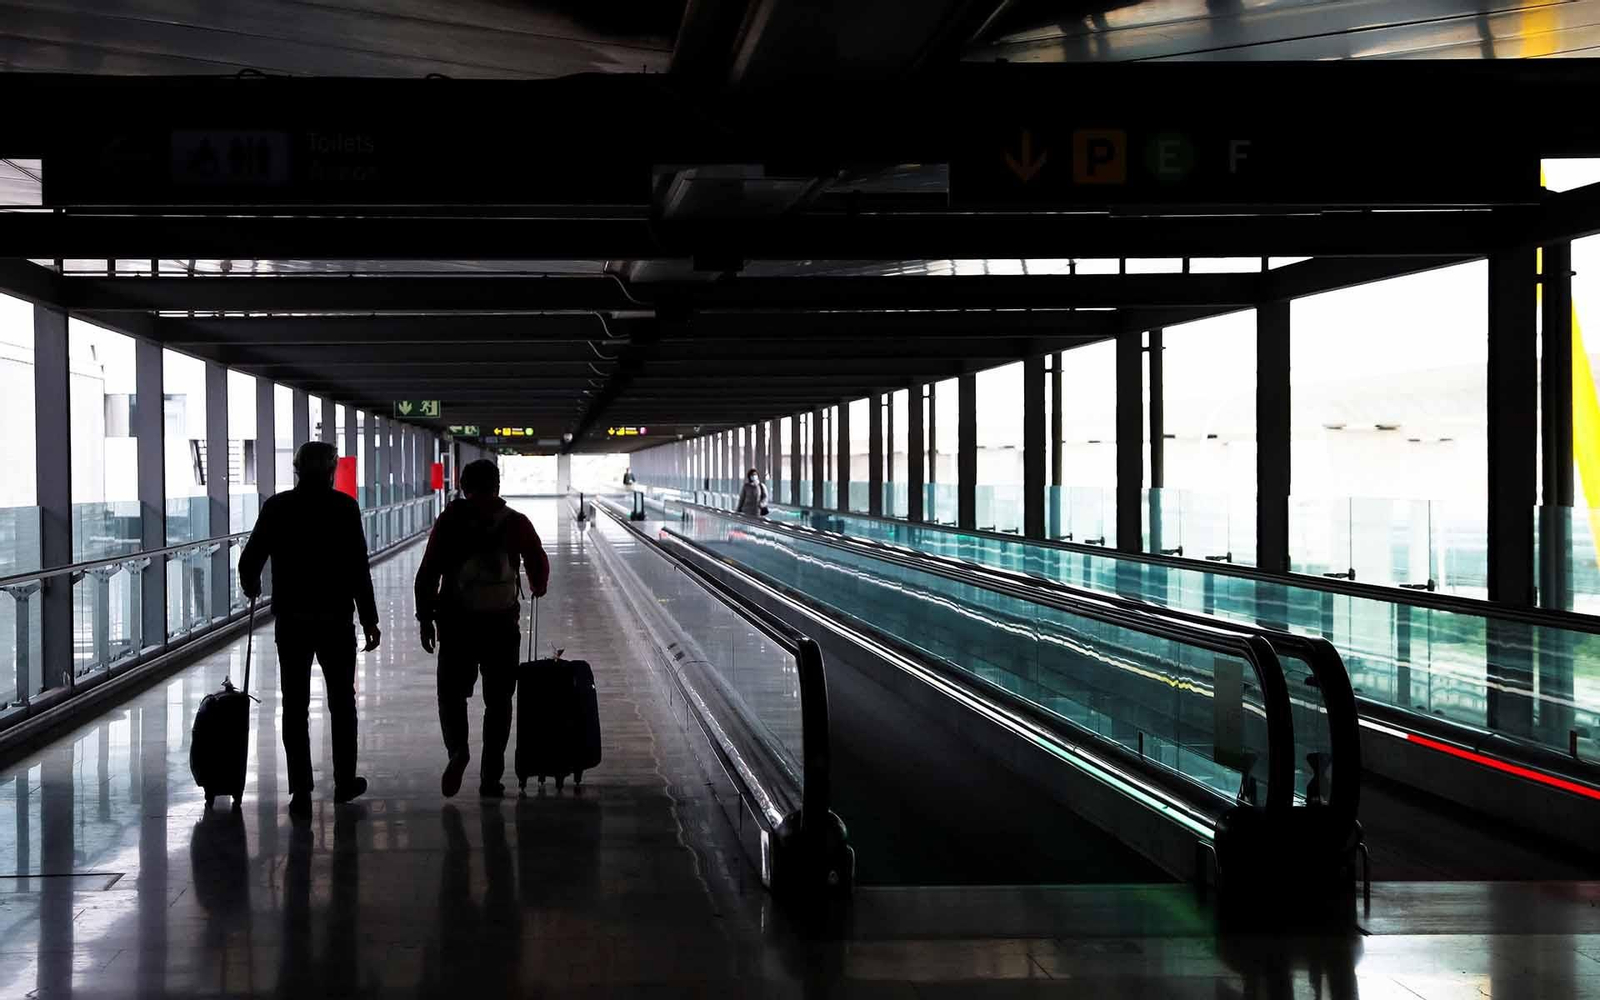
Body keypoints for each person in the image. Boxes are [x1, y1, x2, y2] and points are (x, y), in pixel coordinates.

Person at [239, 441, 379, 819]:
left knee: (295, 704)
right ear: (332, 471)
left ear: (297, 470)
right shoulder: (344, 508)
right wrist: (369, 618)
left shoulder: (278, 507)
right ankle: (344, 781)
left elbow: (250, 559)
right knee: (341, 702)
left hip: (293, 620)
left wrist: (251, 583)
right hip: (335, 620)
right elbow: (357, 568)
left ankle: (301, 788)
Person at [414, 459, 550, 799]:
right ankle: (491, 778)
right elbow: (538, 563)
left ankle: (458, 750)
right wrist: (537, 584)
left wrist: (424, 617)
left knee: (451, 694)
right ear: (497, 487)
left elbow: (428, 571)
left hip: (457, 624)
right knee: (500, 701)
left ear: (463, 487)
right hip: (502, 624)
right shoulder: (515, 522)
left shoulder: (449, 521)